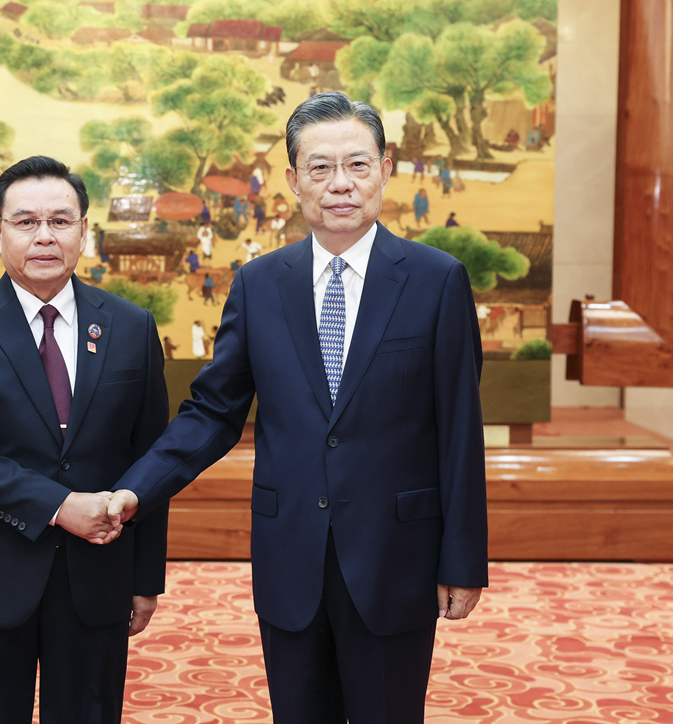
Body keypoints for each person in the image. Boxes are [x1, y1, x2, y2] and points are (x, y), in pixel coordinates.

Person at [105, 92, 488, 724]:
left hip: (396, 556)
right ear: (293, 180)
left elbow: (460, 431)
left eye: (357, 165)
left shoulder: (436, 279)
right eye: (321, 167)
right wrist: (134, 490)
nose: (341, 183)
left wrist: (463, 560)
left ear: (385, 169)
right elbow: (214, 411)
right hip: (291, 555)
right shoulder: (259, 284)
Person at [0, 155, 170, 724]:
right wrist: (59, 506)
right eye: (26, 222)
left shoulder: (132, 326)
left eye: (60, 220)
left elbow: (151, 458)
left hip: (97, 577)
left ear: (84, 230)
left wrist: (144, 578)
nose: (44, 236)